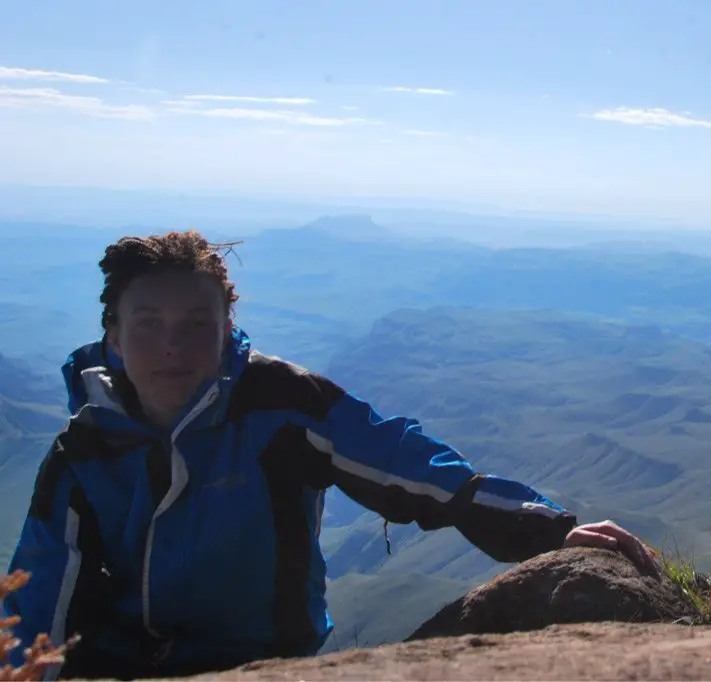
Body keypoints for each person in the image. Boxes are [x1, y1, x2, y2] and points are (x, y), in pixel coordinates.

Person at [3, 231, 658, 680]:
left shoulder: (282, 405)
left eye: (197, 323)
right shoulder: (84, 453)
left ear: (228, 327)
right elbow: (42, 598)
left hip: (263, 662)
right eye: (147, 323)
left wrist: (549, 528)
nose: (172, 344)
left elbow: (401, 460)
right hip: (122, 667)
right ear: (112, 337)